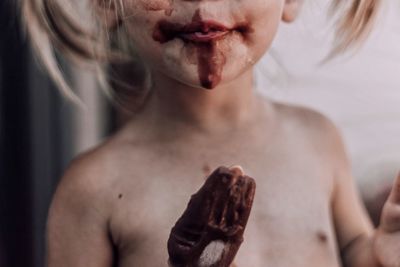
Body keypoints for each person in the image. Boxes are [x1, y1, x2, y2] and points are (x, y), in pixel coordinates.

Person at [22, 0, 400, 266]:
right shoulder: (92, 188)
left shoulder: (318, 139)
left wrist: (380, 253)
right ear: (107, 4)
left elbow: (353, 249)